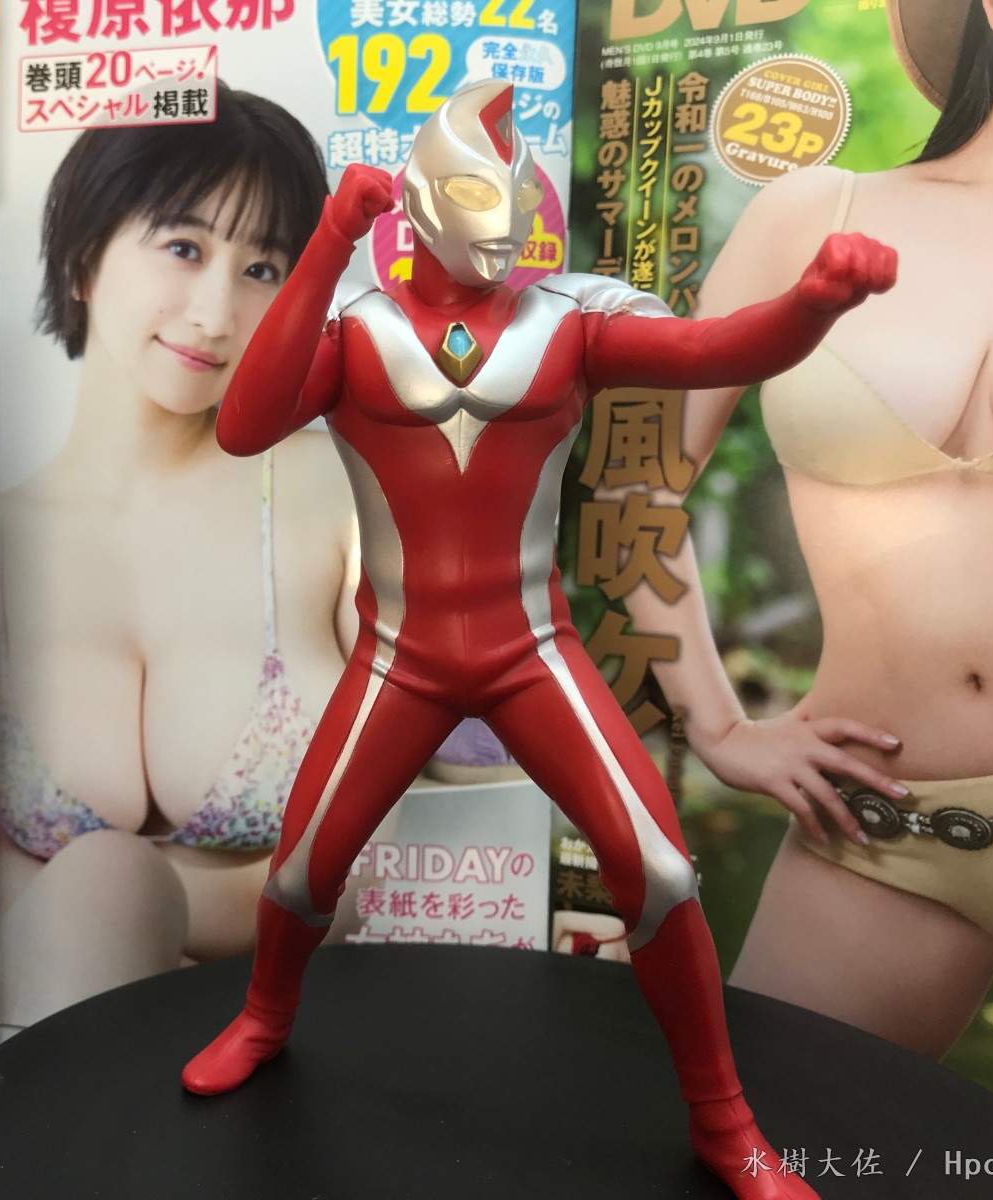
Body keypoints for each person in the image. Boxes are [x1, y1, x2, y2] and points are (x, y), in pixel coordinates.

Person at [180, 78, 894, 1200]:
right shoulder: (356, 331)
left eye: (513, 211)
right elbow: (242, 426)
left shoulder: (567, 320)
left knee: (661, 871)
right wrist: (327, 239)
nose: (504, 238)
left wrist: (816, 303)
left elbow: (718, 348)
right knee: (306, 869)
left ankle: (725, 1122)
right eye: (478, 208)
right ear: (422, 205)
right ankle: (265, 1018)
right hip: (399, 656)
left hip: (532, 652)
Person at [616, 0, 993, 1115]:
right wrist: (718, 727)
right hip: (878, 824)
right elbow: (637, 479)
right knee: (760, 1147)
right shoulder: (816, 214)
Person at [0, 84, 360, 1026]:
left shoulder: (340, 491)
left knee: (103, 882)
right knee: (101, 885)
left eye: (263, 267)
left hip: (292, 1042)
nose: (215, 312)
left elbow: (369, 857)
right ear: (83, 256)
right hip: (45, 1056)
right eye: (185, 248)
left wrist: (130, 900)